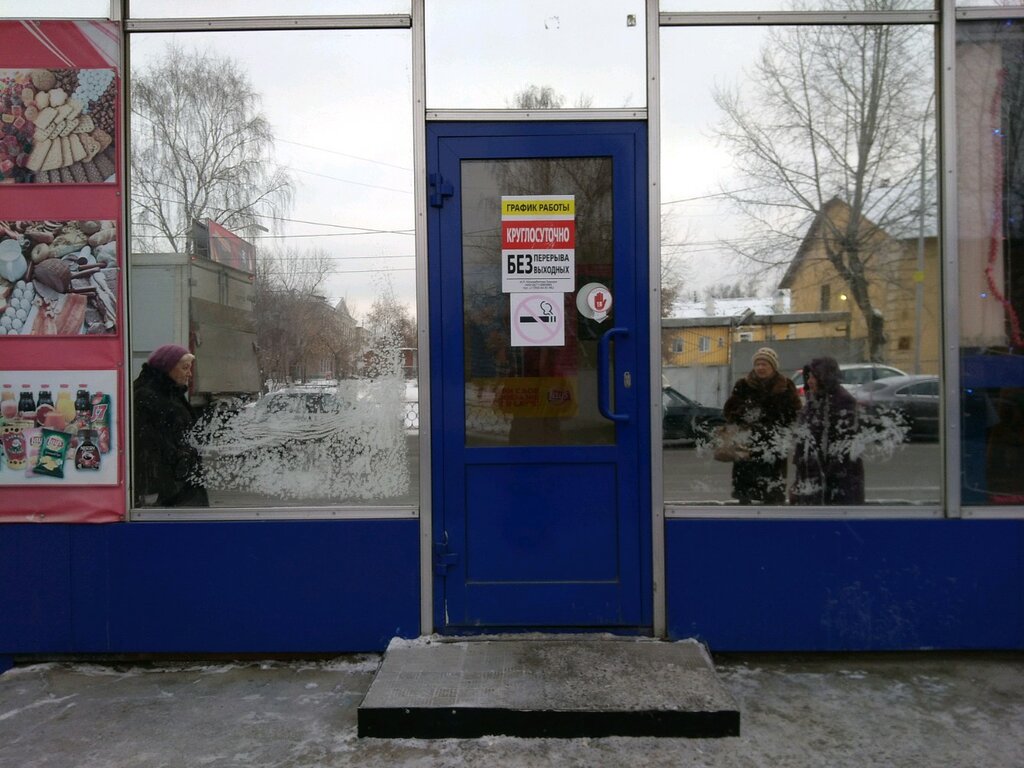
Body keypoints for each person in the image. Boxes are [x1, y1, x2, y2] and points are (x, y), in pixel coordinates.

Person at [132, 344, 209, 507]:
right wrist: (150, 490)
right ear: (167, 368)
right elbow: (146, 446)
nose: (189, 374)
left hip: (180, 483)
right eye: (185, 368)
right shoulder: (147, 397)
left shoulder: (171, 392)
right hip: (168, 490)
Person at [723, 346, 801, 504]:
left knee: (772, 492)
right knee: (746, 492)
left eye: (764, 364)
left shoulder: (785, 385)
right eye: (757, 364)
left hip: (774, 444)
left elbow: (795, 412)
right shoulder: (743, 385)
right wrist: (746, 414)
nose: (760, 367)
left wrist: (778, 419)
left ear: (773, 366)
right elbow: (729, 411)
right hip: (748, 444)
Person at [790, 356, 865, 505]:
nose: (809, 381)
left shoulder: (842, 402)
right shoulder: (815, 400)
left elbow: (841, 451)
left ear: (824, 377)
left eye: (813, 377)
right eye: (808, 377)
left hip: (836, 484)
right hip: (813, 477)